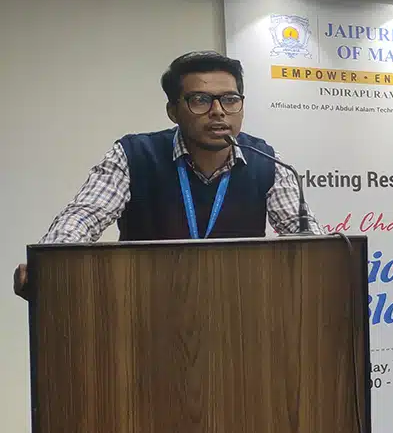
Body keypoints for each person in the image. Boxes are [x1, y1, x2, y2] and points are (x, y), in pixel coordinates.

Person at [13, 51, 320, 299]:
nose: (218, 111)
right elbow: (84, 215)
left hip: (238, 309)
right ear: (173, 111)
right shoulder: (135, 154)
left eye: (230, 99)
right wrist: (49, 263)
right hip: (144, 307)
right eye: (200, 100)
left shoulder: (265, 160)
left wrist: (327, 261)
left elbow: (306, 236)